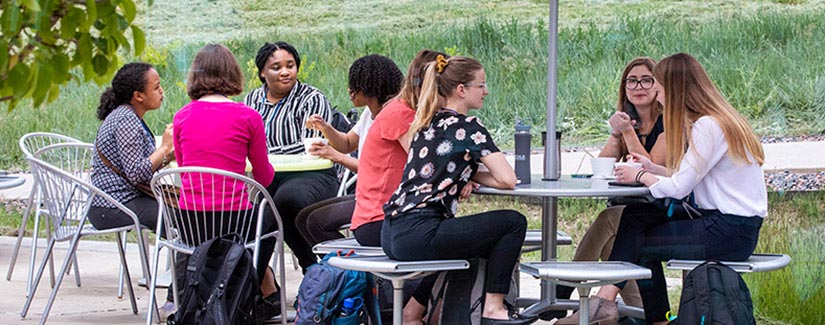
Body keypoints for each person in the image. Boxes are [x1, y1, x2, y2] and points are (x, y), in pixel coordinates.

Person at [557, 52, 767, 324]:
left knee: (640, 244)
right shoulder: (716, 119)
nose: (657, 96)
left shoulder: (707, 126)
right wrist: (652, 168)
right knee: (635, 217)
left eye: (658, 87)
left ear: (675, 89)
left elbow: (679, 188)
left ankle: (623, 309)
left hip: (728, 230)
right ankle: (612, 304)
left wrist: (641, 175)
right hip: (730, 225)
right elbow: (687, 176)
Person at [382, 55, 534, 325]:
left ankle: (428, 312)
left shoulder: (426, 123)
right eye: (481, 85)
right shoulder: (468, 128)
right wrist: (470, 173)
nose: (486, 91)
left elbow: (441, 167)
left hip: (391, 232)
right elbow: (508, 179)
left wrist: (464, 173)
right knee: (513, 223)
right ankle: (493, 308)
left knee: (478, 239)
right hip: (421, 233)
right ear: (461, 90)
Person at [172, 44, 281, 318]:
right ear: (233, 74)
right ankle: (249, 293)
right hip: (235, 220)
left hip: (191, 220)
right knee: (268, 221)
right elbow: (264, 177)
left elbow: (185, 169)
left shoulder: (181, 117)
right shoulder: (248, 117)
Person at [554, 57, 665, 313]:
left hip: (657, 206)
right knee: (610, 247)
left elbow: (647, 166)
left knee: (608, 220)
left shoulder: (666, 124)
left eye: (646, 80)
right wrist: (617, 133)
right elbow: (602, 167)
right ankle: (642, 311)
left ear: (658, 85)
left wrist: (627, 132)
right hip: (628, 205)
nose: (639, 86)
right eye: (632, 81)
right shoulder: (627, 122)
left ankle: (562, 288)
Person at [244, 41, 339, 272]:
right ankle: (256, 282)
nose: (286, 72)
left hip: (312, 175)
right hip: (267, 177)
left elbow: (311, 146)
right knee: (258, 214)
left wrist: (263, 152)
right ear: (262, 73)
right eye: (276, 67)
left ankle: (311, 267)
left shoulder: (311, 98)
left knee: (282, 201)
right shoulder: (251, 100)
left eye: (291, 65)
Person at [295, 54, 403, 247]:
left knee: (314, 222)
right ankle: (330, 272)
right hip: (367, 193)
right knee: (305, 218)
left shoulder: (392, 117)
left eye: (355, 86)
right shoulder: (369, 113)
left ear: (371, 87)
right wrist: (325, 127)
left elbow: (375, 170)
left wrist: (336, 157)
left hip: (384, 199)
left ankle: (355, 272)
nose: (349, 91)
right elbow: (347, 143)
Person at [88, 62, 173, 237]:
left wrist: (170, 155)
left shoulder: (128, 116)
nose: (162, 91)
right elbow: (136, 173)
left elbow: (140, 167)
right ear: (138, 96)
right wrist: (164, 148)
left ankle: (186, 262)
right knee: (183, 217)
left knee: (183, 214)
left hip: (119, 202)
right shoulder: (126, 120)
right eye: (156, 87)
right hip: (112, 206)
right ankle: (189, 263)